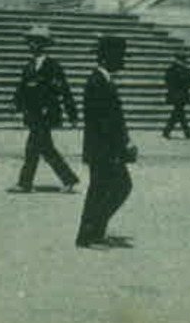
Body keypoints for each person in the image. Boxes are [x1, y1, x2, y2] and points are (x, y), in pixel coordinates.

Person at [76, 35, 136, 249]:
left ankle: (94, 233)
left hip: (105, 148)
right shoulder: (97, 82)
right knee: (115, 187)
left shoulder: (103, 80)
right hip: (103, 149)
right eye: (119, 57)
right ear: (106, 57)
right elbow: (105, 123)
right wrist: (123, 146)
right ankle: (88, 236)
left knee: (104, 189)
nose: (123, 62)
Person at [10, 25, 79, 194]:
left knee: (33, 147)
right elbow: (22, 89)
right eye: (30, 42)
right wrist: (17, 105)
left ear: (43, 44)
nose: (31, 45)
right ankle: (68, 179)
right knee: (45, 149)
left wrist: (72, 114)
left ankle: (25, 183)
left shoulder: (53, 66)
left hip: (47, 114)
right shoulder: (29, 66)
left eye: (35, 42)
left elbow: (64, 90)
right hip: (33, 114)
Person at [163, 52, 190, 140]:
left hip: (178, 94)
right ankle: (187, 133)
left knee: (178, 113)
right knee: (179, 113)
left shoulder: (179, 70)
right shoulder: (178, 70)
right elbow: (167, 81)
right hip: (178, 94)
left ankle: (167, 131)